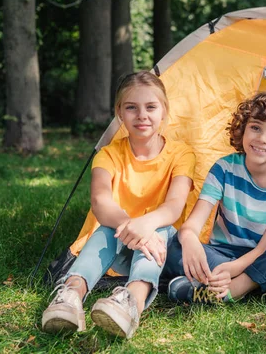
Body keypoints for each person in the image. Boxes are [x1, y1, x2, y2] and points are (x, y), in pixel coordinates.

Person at [41, 71, 195, 338]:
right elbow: (101, 203)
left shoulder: (182, 154)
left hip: (162, 247)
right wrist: (131, 228)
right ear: (119, 113)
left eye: (151, 107)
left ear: (164, 111)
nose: (142, 115)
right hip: (119, 238)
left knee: (155, 231)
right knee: (104, 229)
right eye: (131, 107)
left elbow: (174, 207)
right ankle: (71, 296)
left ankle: (131, 304)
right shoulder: (108, 154)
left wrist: (143, 227)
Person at [163, 92, 266, 303]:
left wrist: (237, 270)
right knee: (172, 245)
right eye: (255, 127)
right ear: (242, 129)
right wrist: (189, 240)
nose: (262, 139)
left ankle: (236, 286)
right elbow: (192, 225)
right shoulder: (224, 168)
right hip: (222, 255)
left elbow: (263, 249)